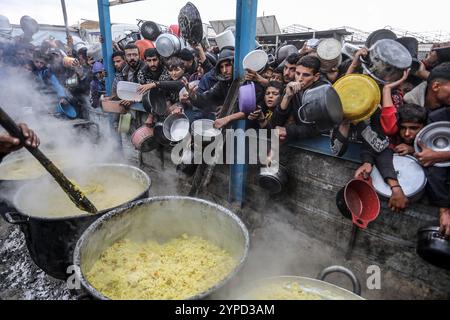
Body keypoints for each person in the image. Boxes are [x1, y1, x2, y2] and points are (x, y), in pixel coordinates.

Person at [272, 55, 327, 142]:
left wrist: (289, 131)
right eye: (297, 73)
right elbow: (275, 123)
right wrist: (287, 97)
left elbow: (318, 128)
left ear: (316, 77)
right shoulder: (292, 87)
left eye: (306, 75)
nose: (300, 79)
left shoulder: (322, 91)